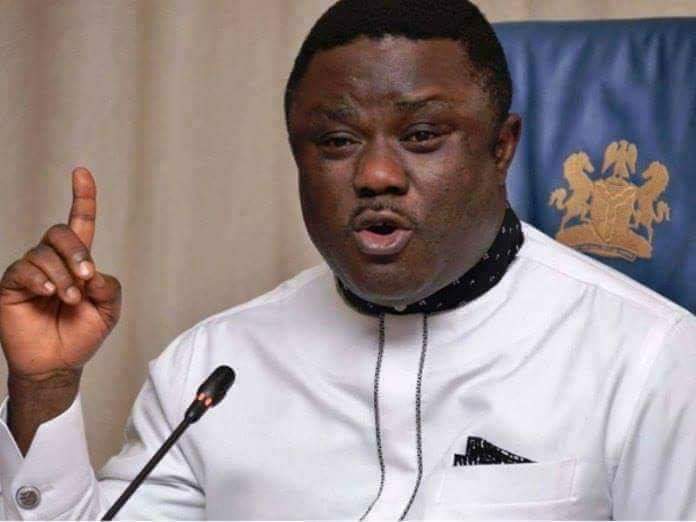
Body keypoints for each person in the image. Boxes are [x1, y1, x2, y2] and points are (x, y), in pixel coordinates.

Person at [0, 0, 694, 519]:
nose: (376, 175)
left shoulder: (649, 359)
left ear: (501, 146)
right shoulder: (210, 368)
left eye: (422, 136)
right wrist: (45, 388)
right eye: (336, 141)